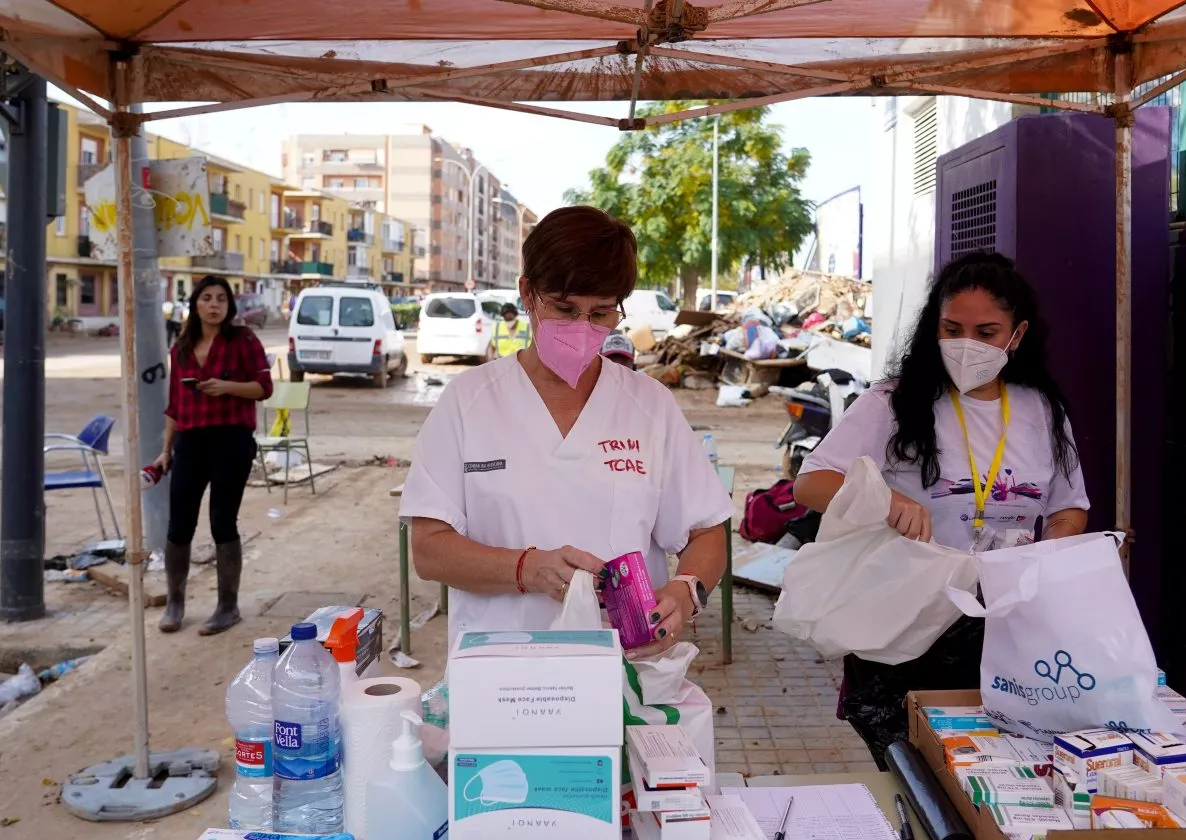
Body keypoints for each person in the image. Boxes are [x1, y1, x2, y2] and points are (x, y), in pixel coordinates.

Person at [794, 251, 1089, 763]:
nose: (966, 345)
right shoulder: (893, 402)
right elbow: (811, 483)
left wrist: (1048, 552)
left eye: (987, 332)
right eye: (952, 328)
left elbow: (1069, 507)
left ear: (1016, 336)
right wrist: (885, 502)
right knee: (917, 781)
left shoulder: (1042, 410)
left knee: (993, 770)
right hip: (906, 626)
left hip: (1003, 626)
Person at [399, 206, 732, 657]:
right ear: (527, 293)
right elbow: (429, 550)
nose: (581, 329)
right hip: (501, 673)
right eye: (564, 308)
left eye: (600, 314)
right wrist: (526, 568)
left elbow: (707, 531)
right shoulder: (469, 402)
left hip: (627, 674)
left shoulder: (648, 407)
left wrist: (685, 591)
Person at [155, 275, 273, 635]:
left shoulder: (243, 340)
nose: (214, 305)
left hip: (231, 440)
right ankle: (175, 603)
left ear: (229, 306)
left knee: (222, 520)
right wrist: (165, 451)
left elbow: (264, 387)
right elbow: (174, 405)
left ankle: (227, 607)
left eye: (221, 298)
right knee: (179, 525)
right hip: (190, 441)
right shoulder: (182, 348)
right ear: (195, 304)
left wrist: (227, 387)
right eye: (207, 298)